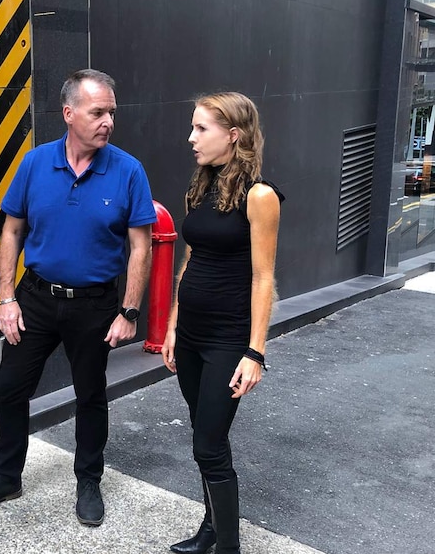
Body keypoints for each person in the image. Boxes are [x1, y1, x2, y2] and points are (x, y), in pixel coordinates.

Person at [0, 69, 156, 526]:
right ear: (69, 114)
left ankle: (88, 481)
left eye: (111, 112)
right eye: (97, 112)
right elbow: (11, 230)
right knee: (11, 390)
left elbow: (141, 246)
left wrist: (129, 311)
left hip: (94, 305)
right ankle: (6, 477)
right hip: (36, 300)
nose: (107, 121)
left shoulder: (128, 170)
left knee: (90, 395)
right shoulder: (34, 163)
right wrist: (7, 299)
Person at [161, 92, 284, 554]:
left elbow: (263, 275)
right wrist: (173, 326)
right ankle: (211, 529)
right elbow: (190, 261)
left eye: (201, 129)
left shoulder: (260, 196)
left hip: (228, 340)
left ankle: (227, 547)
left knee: (209, 445)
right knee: (203, 438)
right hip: (191, 334)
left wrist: (255, 352)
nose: (190, 138)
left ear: (233, 135)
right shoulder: (201, 187)